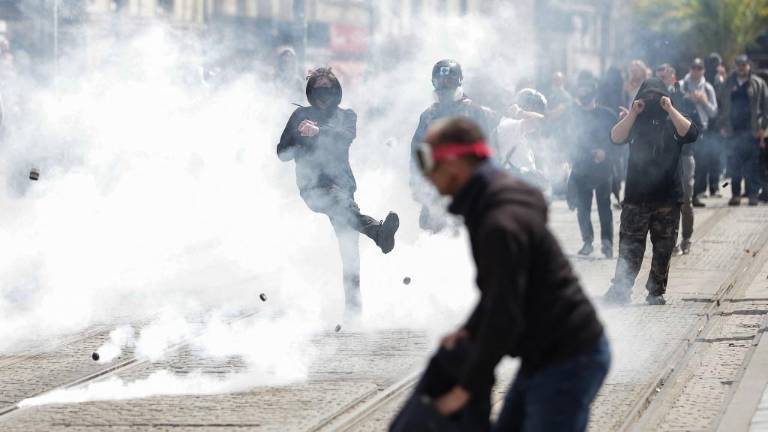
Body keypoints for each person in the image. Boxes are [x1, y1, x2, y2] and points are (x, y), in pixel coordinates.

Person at [391, 117, 609, 432]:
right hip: (543, 356)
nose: (426, 175)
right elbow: (504, 289)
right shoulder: (495, 196)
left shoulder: (498, 223)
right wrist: (469, 329)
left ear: (454, 162)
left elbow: (504, 315)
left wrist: (464, 389)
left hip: (569, 359)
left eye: (428, 161)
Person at [277, 67, 399, 314]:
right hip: (313, 186)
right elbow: (282, 153)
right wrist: (301, 135)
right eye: (319, 89)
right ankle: (377, 232)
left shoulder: (346, 116)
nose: (324, 94)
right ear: (311, 91)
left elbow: (345, 137)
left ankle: (353, 307)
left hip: (342, 185)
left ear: (337, 92)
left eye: (329, 89)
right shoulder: (300, 115)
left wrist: (319, 131)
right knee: (344, 210)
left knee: (348, 245)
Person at [603, 78, 699, 305]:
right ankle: (621, 290)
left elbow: (692, 133)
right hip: (637, 197)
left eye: (658, 96)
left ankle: (655, 291)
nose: (653, 101)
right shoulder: (635, 119)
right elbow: (615, 137)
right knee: (630, 247)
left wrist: (670, 108)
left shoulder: (675, 119)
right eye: (648, 96)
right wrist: (633, 113)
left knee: (664, 248)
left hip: (668, 197)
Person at [410, 59, 499, 232]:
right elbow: (417, 151)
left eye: (449, 81)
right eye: (440, 81)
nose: (444, 87)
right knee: (432, 233)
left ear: (459, 81)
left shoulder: (473, 110)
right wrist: (417, 182)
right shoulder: (428, 115)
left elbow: (486, 148)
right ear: (433, 82)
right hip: (436, 186)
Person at [566, 77, 617, 258]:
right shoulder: (574, 116)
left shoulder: (608, 114)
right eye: (580, 90)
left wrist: (605, 152)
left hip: (603, 169)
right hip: (582, 169)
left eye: (585, 90)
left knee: (605, 206)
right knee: (583, 208)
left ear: (593, 92)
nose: (582, 94)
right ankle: (587, 242)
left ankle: (607, 242)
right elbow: (571, 141)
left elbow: (616, 138)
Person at [719, 54, 768, 206]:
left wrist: (763, 128)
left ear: (749, 66)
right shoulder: (728, 83)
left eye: (744, 65)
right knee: (734, 164)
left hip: (752, 130)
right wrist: (722, 125)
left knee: (752, 164)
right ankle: (735, 195)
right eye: (739, 64)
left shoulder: (758, 83)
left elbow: (766, 108)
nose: (742, 67)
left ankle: (753, 195)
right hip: (733, 131)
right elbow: (721, 106)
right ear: (736, 66)